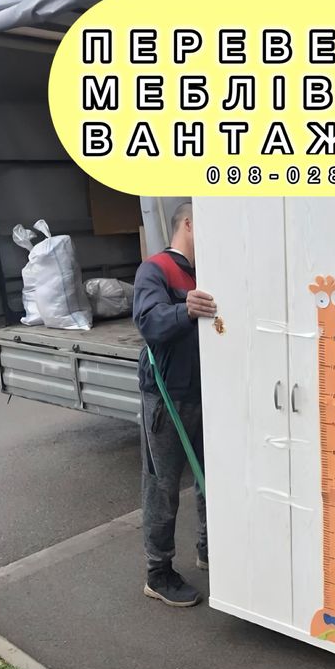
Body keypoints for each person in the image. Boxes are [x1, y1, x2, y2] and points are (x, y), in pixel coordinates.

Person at [133, 201, 216, 607]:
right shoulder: (156, 270)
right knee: (163, 486)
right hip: (168, 399)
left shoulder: (207, 271)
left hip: (208, 394)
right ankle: (158, 573)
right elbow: (148, 321)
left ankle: (210, 549)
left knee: (211, 479)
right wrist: (184, 311)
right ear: (188, 223)